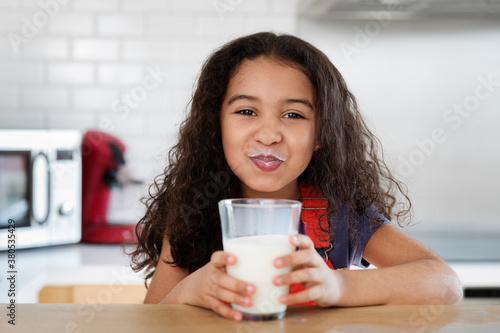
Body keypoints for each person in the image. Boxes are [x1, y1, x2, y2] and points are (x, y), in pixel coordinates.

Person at [128, 32, 462, 321]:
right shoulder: (193, 210)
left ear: (321, 135)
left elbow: (445, 284)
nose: (269, 134)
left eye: (293, 114)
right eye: (247, 111)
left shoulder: (340, 212)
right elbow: (152, 322)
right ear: (217, 126)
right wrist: (189, 290)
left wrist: (340, 285)